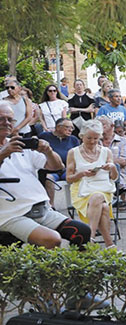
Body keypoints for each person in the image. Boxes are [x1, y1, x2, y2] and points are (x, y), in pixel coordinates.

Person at [0, 104, 90, 248]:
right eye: (1, 119)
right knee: (51, 239)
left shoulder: (20, 143)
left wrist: (48, 151)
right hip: (11, 214)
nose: (6, 123)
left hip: (40, 208)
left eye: (10, 119)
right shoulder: (10, 147)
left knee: (82, 232)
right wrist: (3, 153)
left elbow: (57, 167)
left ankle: (75, 269)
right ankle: (45, 268)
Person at [66, 120, 117, 247]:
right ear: (81, 136)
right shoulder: (73, 152)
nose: (92, 141)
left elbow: (114, 178)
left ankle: (90, 237)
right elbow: (68, 178)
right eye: (89, 138)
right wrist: (82, 174)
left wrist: (112, 167)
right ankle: (109, 244)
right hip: (81, 190)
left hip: (103, 188)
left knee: (98, 197)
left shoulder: (106, 152)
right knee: (103, 207)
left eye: (96, 138)